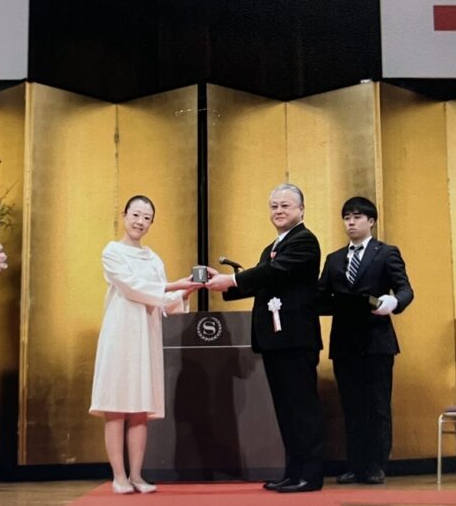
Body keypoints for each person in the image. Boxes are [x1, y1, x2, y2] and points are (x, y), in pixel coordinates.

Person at [206, 183, 324, 493]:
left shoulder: (304, 241)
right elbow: (262, 279)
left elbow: (274, 272)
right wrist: (224, 284)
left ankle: (310, 475)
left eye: (285, 205)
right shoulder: (273, 245)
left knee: (302, 409)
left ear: (301, 210)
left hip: (296, 339)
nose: (279, 211)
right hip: (274, 340)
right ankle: (293, 472)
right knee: (285, 409)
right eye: (274, 206)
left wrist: (232, 279)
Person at [89, 195, 197, 494]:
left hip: (146, 336)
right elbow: (132, 287)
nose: (140, 222)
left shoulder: (153, 258)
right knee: (116, 407)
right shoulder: (112, 252)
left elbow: (161, 301)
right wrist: (172, 286)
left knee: (139, 409)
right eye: (135, 215)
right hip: (120, 333)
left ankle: (136, 475)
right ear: (124, 215)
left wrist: (183, 293)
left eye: (146, 218)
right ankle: (119, 477)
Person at [316, 196, 413, 485]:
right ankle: (355, 465)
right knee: (351, 406)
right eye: (347, 217)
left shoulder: (386, 253)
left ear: (371, 221)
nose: (351, 222)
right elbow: (321, 296)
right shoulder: (334, 259)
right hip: (344, 342)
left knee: (377, 405)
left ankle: (376, 465)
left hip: (376, 341)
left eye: (357, 217)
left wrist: (393, 302)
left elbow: (405, 289)